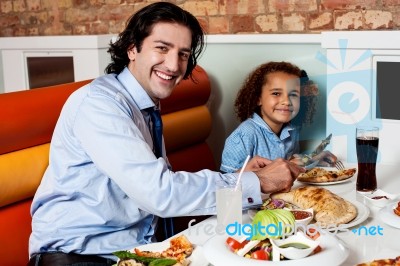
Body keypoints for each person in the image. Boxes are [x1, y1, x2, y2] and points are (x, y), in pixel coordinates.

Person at [28, 3, 304, 266]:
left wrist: (243, 177)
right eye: (162, 48)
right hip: (78, 256)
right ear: (132, 48)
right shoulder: (99, 104)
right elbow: (159, 193)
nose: (173, 66)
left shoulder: (144, 104)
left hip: (139, 251)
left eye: (183, 54)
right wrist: (256, 181)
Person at [220, 61, 336, 173]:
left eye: (293, 94)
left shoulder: (293, 130)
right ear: (258, 98)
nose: (286, 101)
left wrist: (313, 158)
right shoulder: (243, 136)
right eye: (276, 93)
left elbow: (291, 163)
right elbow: (226, 182)